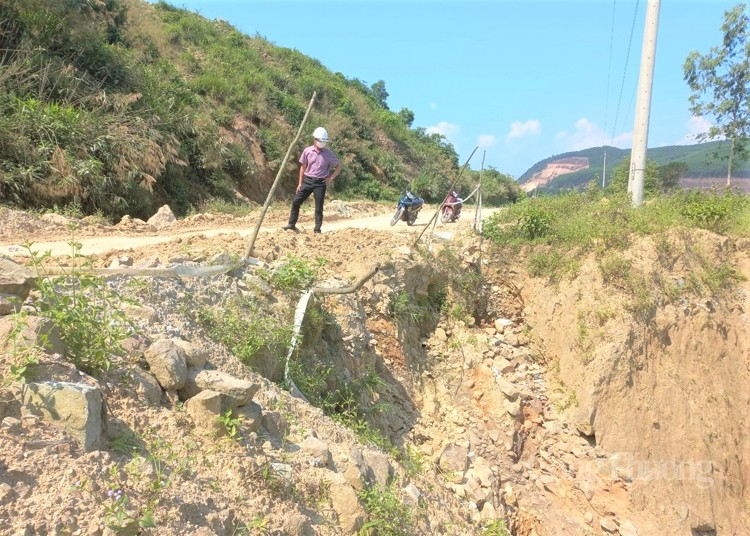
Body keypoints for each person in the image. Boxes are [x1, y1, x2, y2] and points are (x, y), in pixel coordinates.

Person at [282, 126, 342, 234]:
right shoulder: (307, 151)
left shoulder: (328, 154)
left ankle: (317, 229)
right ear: (315, 139)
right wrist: (300, 183)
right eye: (320, 141)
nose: (322, 143)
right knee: (296, 202)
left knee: (319, 206)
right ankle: (291, 224)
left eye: (324, 141)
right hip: (308, 180)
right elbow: (303, 167)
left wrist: (331, 178)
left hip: (320, 183)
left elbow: (338, 166)